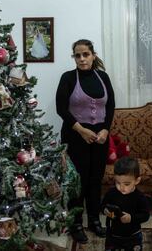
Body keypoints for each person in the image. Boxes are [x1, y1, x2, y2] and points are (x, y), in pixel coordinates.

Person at [56, 39, 115, 243]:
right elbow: (61, 109)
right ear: (74, 57)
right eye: (77, 55)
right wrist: (82, 130)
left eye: (85, 54)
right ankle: (75, 223)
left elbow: (111, 106)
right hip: (75, 135)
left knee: (94, 179)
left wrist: (106, 129)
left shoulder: (103, 77)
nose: (82, 59)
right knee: (77, 182)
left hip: (100, 137)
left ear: (93, 55)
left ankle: (93, 220)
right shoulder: (68, 78)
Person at [101, 156, 150, 251]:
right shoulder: (111, 193)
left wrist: (131, 218)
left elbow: (145, 215)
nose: (121, 187)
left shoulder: (140, 197)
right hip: (113, 234)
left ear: (137, 181)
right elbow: (103, 206)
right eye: (118, 183)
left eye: (126, 184)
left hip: (133, 236)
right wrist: (106, 211)